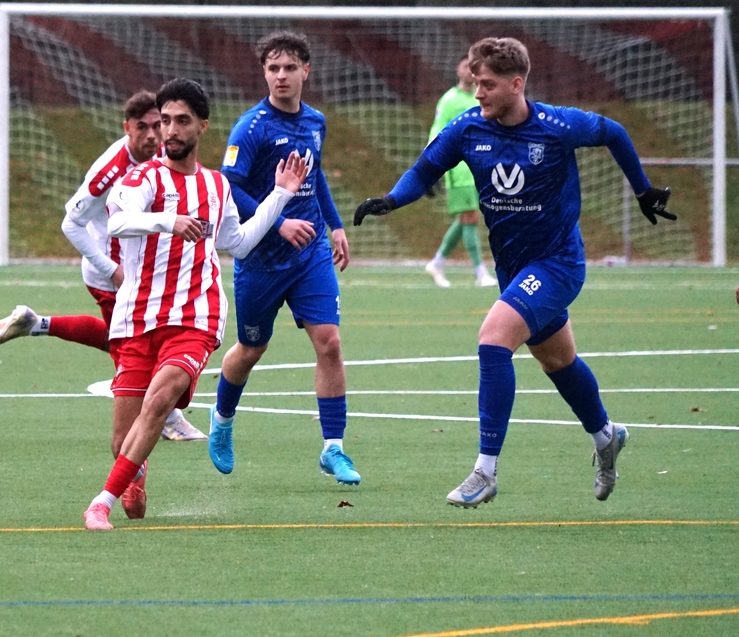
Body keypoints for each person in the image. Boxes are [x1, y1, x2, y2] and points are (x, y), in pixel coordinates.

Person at [354, 37, 677, 507]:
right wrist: (389, 200)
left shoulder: (556, 125)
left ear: (516, 84)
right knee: (557, 361)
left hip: (558, 263)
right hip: (513, 268)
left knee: (493, 339)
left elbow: (614, 133)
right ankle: (606, 435)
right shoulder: (467, 128)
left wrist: (643, 190)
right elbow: (424, 171)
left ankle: (485, 472)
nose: (478, 92)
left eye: (487, 84)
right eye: (475, 82)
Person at [82, 78, 308, 530]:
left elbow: (237, 243)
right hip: (137, 317)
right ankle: (133, 474)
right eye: (165, 121)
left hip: (195, 317)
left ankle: (99, 503)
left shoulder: (217, 186)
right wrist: (170, 221)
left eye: (181, 121)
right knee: (122, 440)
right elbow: (118, 223)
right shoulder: (142, 178)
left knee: (160, 401)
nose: (170, 131)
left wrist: (280, 195)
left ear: (202, 126)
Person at [0, 91, 206, 443]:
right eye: (143, 127)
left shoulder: (167, 153)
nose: (153, 135)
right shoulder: (109, 171)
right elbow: (70, 224)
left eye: (158, 125)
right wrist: (111, 270)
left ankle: (37, 323)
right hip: (111, 274)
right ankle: (167, 419)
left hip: (145, 271)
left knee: (124, 340)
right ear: (127, 128)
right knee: (133, 348)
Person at [207, 31, 360, 486]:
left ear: (305, 71)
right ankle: (222, 420)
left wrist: (334, 224)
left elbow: (317, 176)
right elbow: (228, 188)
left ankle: (333, 447)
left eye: (290, 67)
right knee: (251, 350)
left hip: (310, 254)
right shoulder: (251, 128)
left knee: (329, 343)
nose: (281, 76)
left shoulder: (315, 121)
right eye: (273, 68)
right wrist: (278, 223)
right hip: (261, 258)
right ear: (264, 73)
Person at [424, 54, 497, 289]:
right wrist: (431, 163)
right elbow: (437, 130)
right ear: (458, 69)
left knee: (466, 217)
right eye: (466, 66)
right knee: (470, 216)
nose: (469, 71)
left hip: (478, 165)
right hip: (457, 167)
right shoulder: (449, 100)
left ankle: (437, 262)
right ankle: (480, 272)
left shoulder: (480, 98)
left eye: (473, 68)